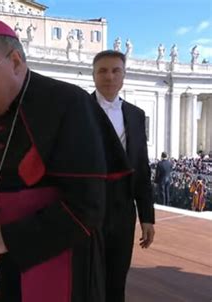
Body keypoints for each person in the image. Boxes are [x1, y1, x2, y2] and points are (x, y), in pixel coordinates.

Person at [0, 18, 107, 302]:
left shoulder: (68, 103)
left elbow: (88, 205)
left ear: (15, 62)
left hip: (55, 255)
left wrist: (8, 237)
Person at [91, 50, 155, 302]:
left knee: (117, 278)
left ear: (124, 75)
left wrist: (147, 217)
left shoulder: (136, 115)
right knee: (87, 277)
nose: (109, 76)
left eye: (116, 70)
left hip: (123, 211)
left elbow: (141, 167)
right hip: (87, 208)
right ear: (93, 75)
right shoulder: (77, 110)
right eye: (103, 71)